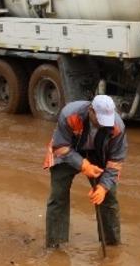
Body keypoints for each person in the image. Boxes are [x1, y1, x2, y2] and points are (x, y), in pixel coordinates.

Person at [42, 94, 126, 249]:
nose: (103, 124)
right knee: (58, 195)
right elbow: (60, 146)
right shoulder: (70, 114)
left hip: (99, 155)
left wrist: (103, 187)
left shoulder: (117, 127)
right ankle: (55, 242)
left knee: (109, 198)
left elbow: (116, 161)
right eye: (100, 119)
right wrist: (82, 164)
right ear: (91, 111)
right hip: (68, 151)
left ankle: (111, 243)